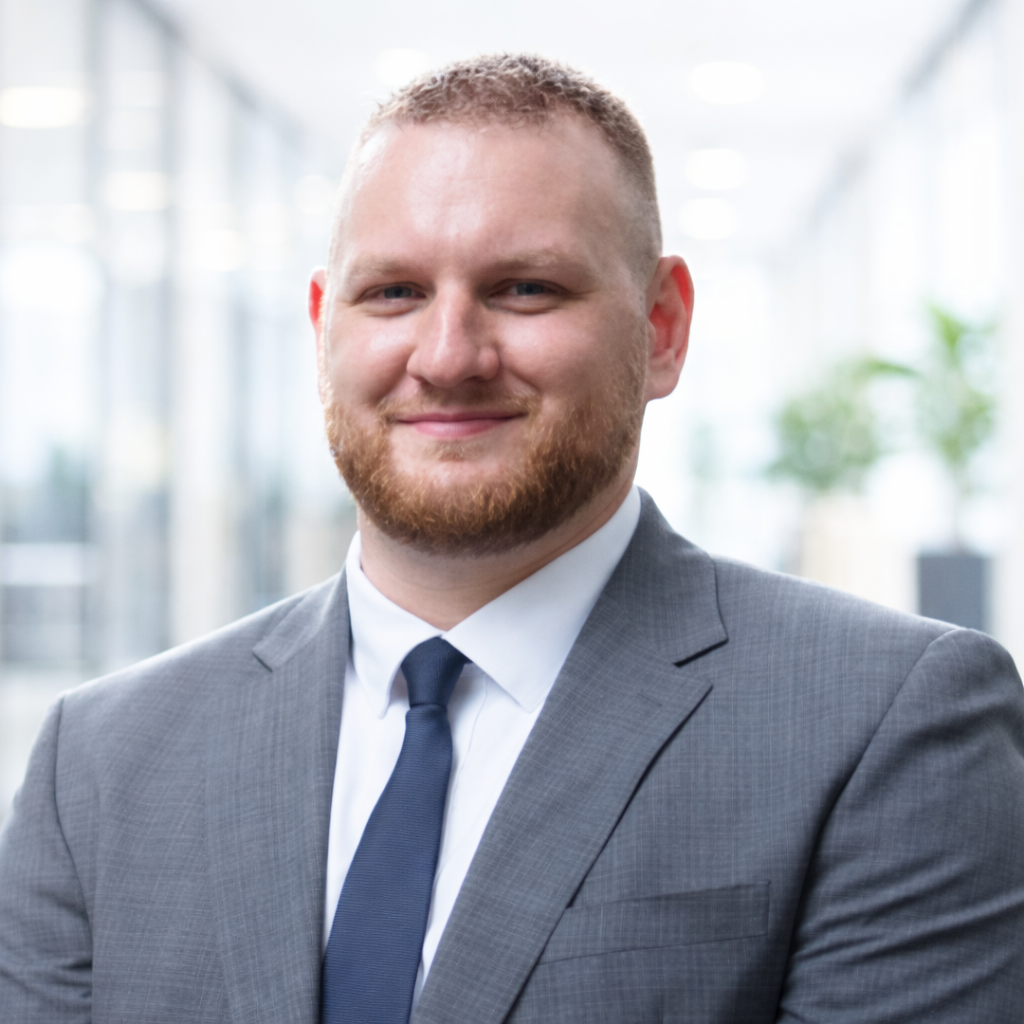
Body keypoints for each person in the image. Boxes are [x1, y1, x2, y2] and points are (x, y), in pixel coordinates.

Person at [1, 54, 1022, 1024]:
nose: (448, 357)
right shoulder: (101, 761)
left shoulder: (887, 723)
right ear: (322, 328)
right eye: (393, 292)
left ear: (662, 328)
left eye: (525, 288)